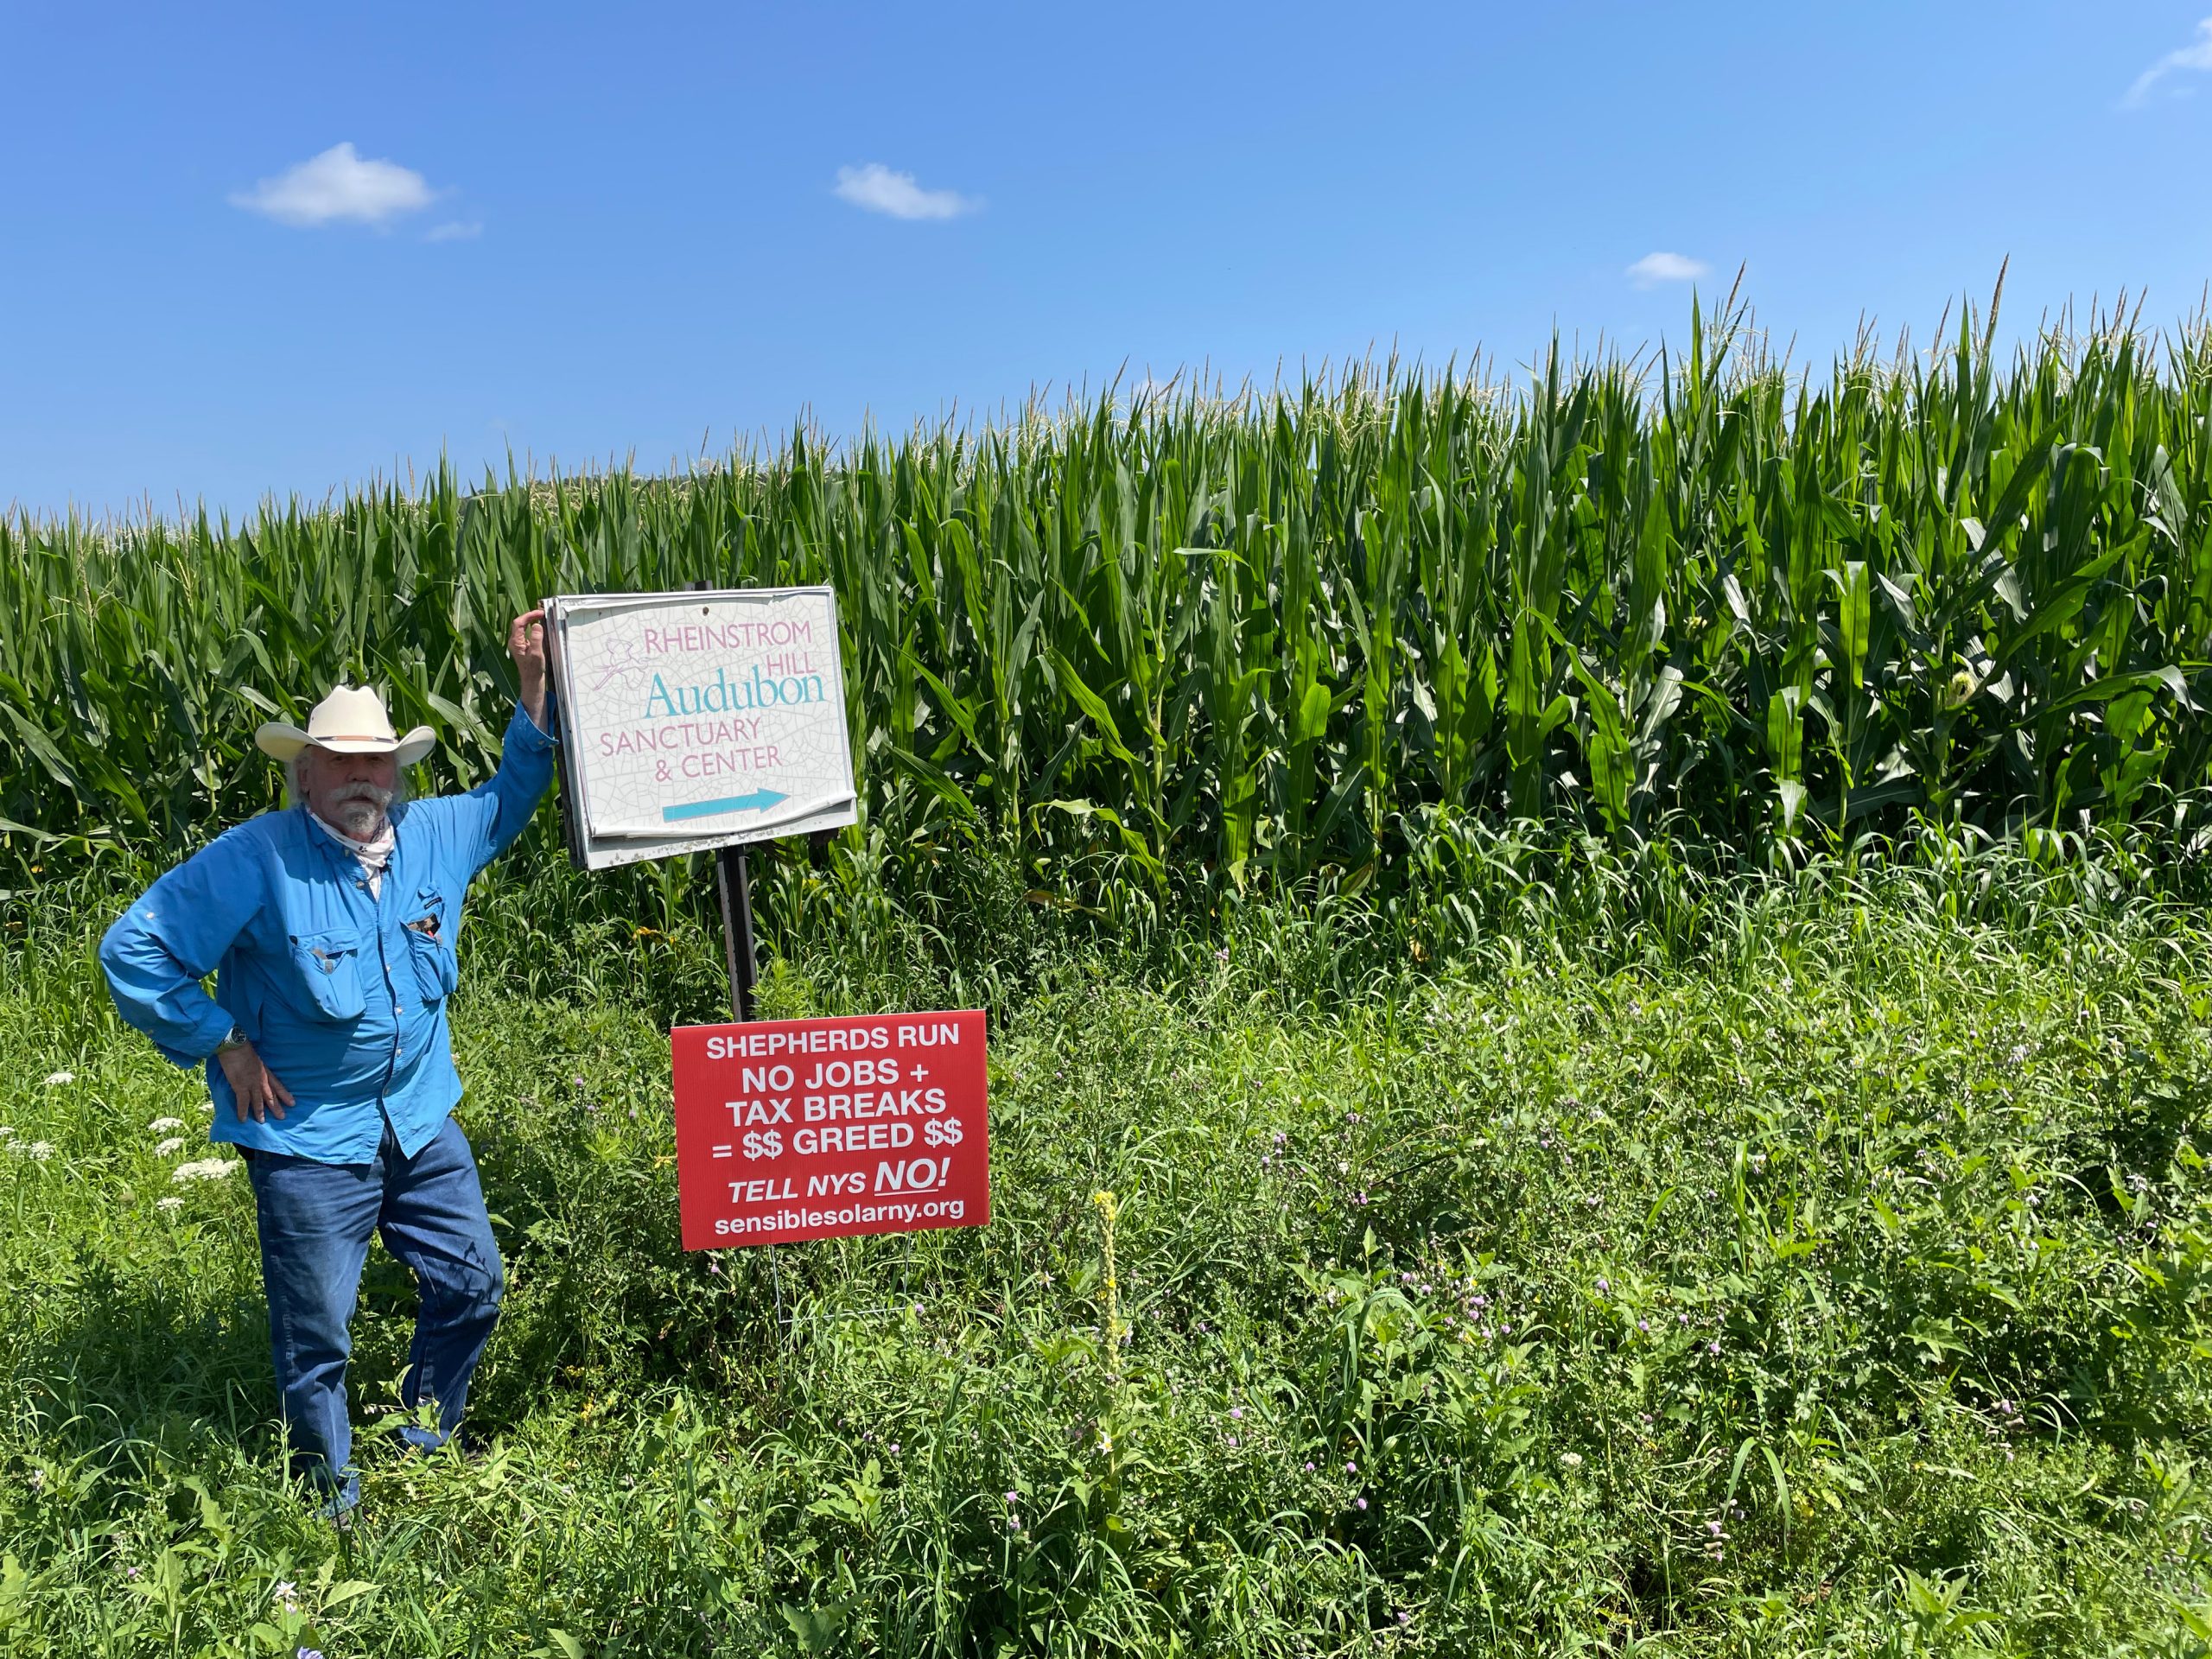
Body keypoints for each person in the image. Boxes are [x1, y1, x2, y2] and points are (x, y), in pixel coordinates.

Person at [99, 610, 558, 1518]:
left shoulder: (434, 836)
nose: (359, 777)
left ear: (397, 770)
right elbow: (133, 951)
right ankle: (329, 1509)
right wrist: (220, 1042)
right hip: (306, 1137)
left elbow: (512, 792)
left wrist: (533, 687)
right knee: (319, 1340)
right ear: (302, 771)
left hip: (419, 1116)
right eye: (339, 761)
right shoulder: (257, 860)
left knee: (473, 1285)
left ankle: (424, 1445)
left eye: (374, 761)